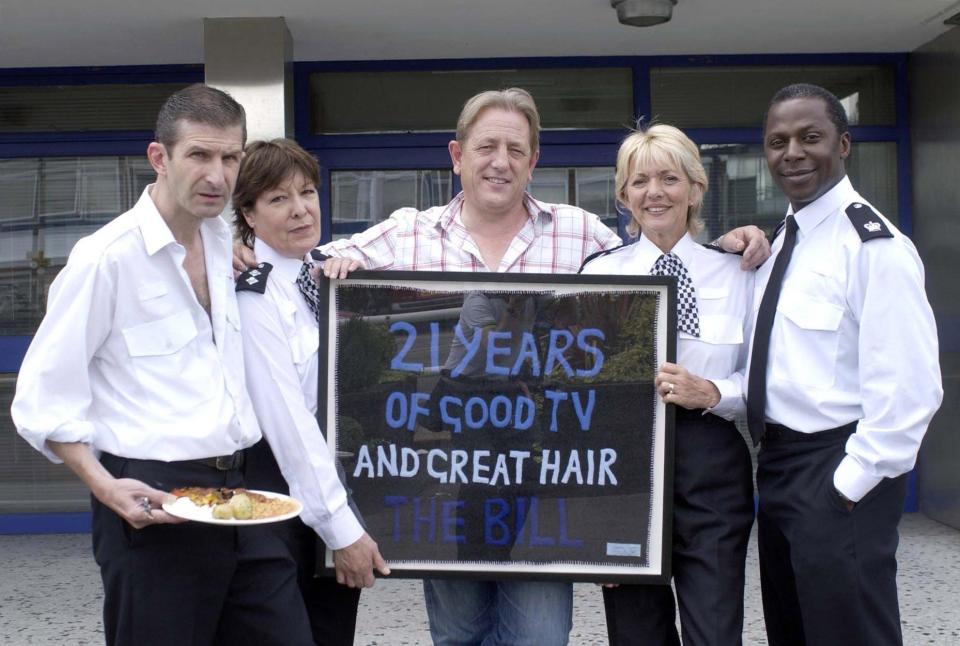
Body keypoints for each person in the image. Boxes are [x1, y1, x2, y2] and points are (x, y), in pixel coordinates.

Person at [235, 87, 769, 646]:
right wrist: (232, 247)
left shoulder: (583, 235)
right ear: (456, 155)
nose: (500, 161)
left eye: (516, 149)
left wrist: (731, 243)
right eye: (486, 146)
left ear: (534, 161)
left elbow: (652, 262)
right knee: (458, 631)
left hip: (544, 487)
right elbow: (310, 254)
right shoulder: (405, 233)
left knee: (538, 633)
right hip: (451, 480)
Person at [11, 85, 314, 646]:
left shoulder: (223, 241)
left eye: (230, 158)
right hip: (151, 504)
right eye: (199, 155)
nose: (217, 176)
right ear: (160, 158)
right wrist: (104, 486)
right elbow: (42, 398)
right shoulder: (106, 258)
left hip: (243, 501)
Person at [747, 83, 943, 645]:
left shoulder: (874, 247)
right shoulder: (783, 240)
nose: (793, 153)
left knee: (850, 632)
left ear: (845, 144)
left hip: (837, 469)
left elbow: (911, 390)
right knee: (794, 630)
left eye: (811, 137)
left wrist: (845, 487)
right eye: (778, 141)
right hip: (779, 466)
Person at [580, 124, 755, 645]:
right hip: (625, 463)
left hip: (711, 465)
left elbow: (765, 375)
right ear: (623, 196)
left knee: (715, 632)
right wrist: (597, 516)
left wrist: (717, 394)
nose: (654, 192)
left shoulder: (740, 272)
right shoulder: (596, 276)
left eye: (669, 178)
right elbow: (577, 387)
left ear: (696, 189)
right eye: (639, 181)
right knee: (636, 634)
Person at [231, 138, 390, 645]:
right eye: (278, 199)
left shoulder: (331, 274)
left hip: (334, 480)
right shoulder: (252, 293)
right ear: (249, 216)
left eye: (307, 192)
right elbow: (289, 423)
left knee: (331, 631)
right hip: (275, 498)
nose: (300, 210)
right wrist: (340, 529)